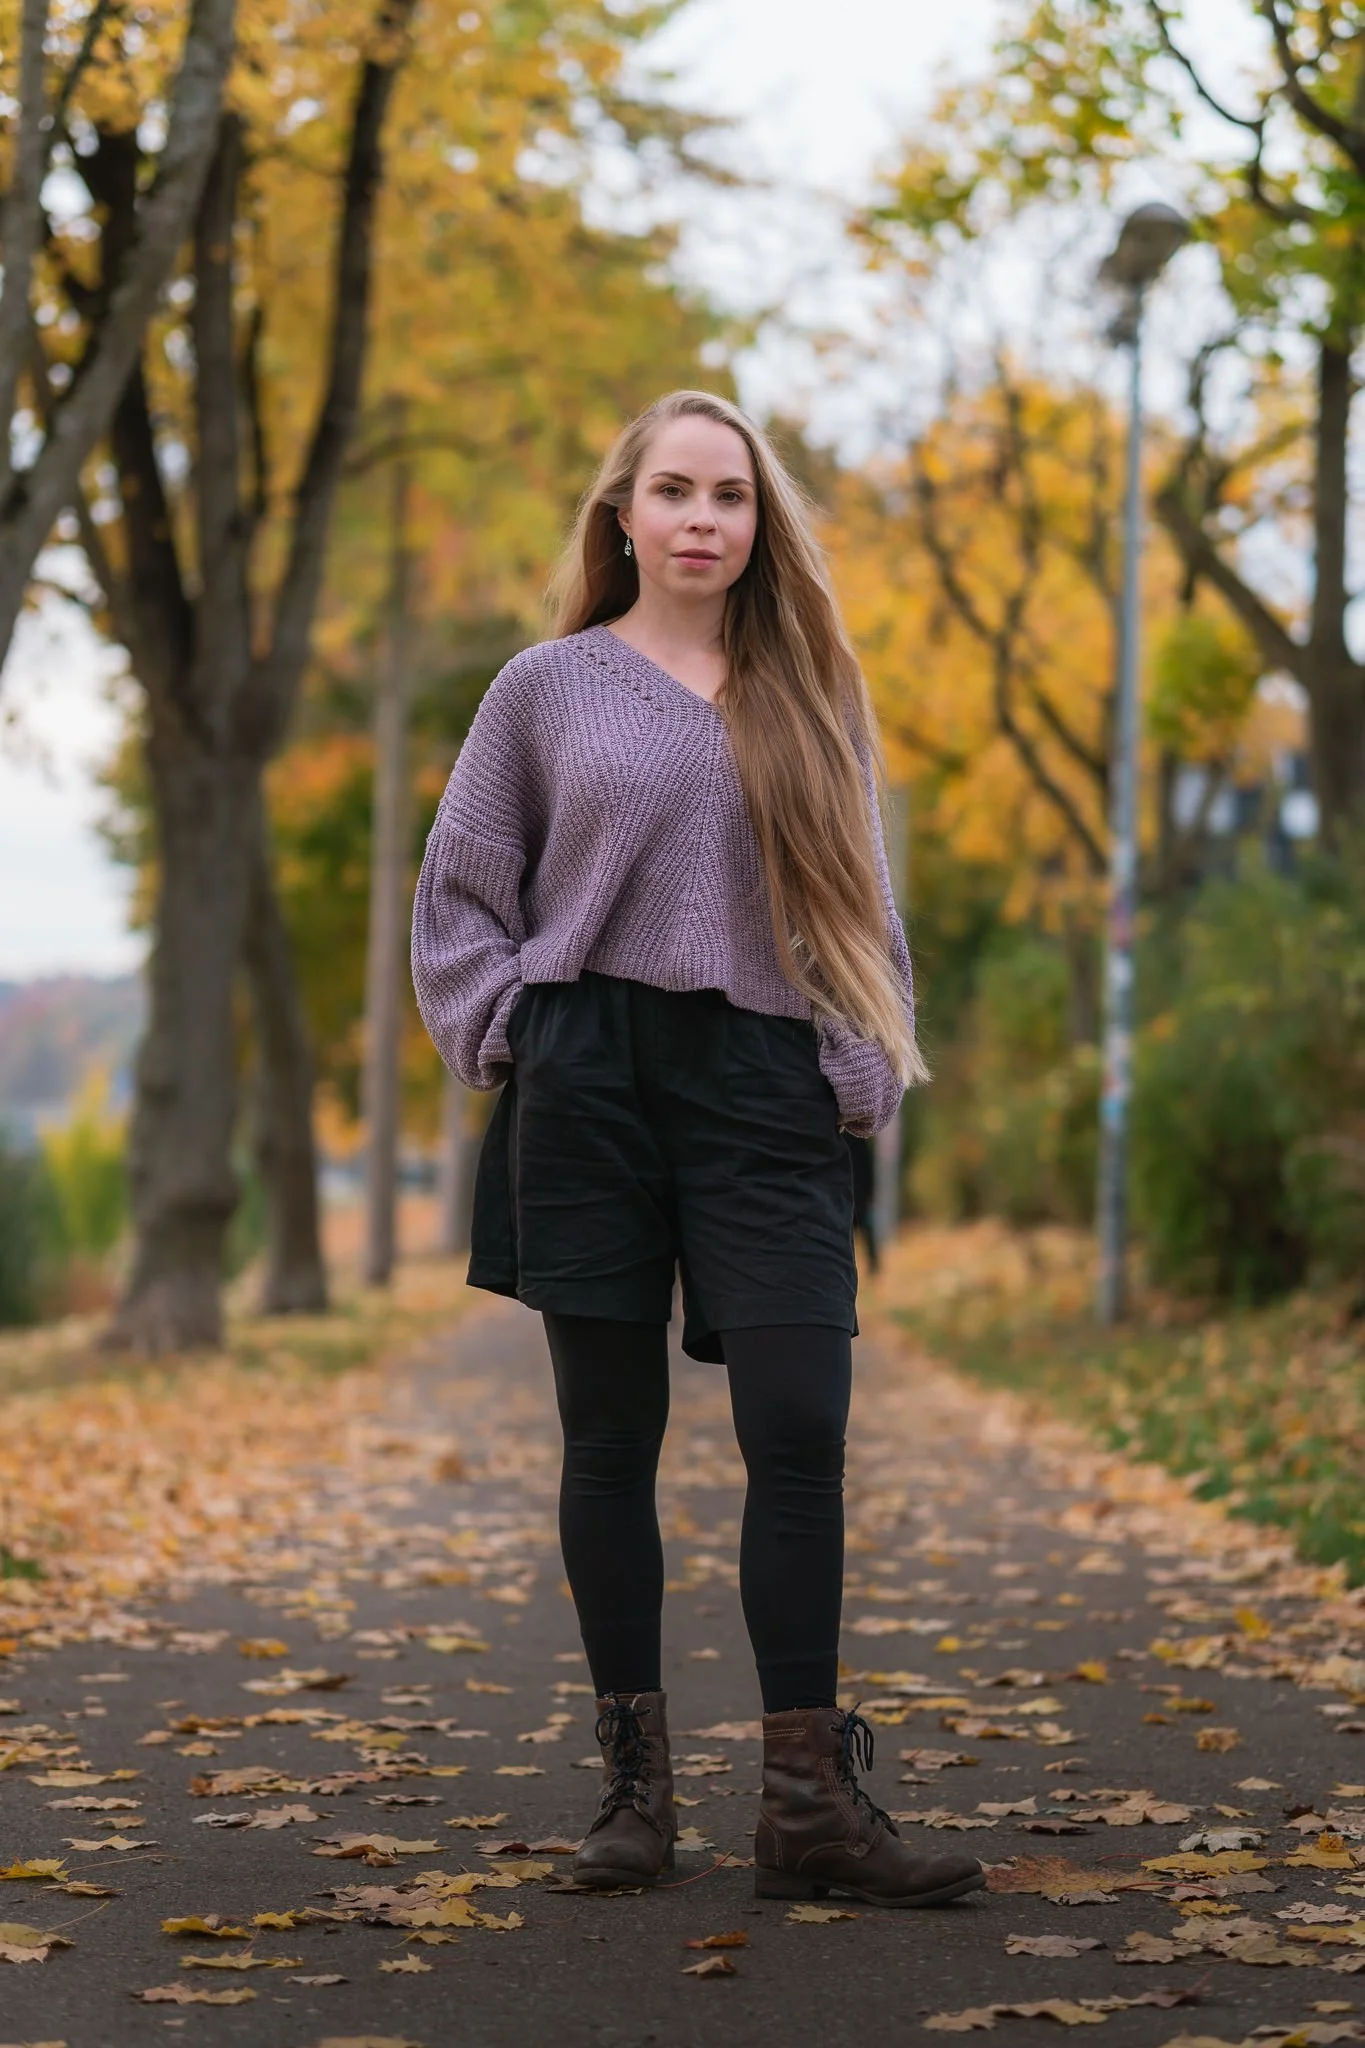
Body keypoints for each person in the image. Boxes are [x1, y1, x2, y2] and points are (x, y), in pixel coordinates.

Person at [411, 390, 983, 1910]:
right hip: (589, 1074)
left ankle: (806, 1807)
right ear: (623, 513)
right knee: (610, 1438)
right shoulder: (543, 689)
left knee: (800, 1421)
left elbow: (862, 905)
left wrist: (853, 1061)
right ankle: (634, 1794)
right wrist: (511, 1029)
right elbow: (461, 888)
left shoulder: (811, 695)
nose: (703, 519)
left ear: (757, 523)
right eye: (674, 491)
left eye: (730, 495)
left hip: (761, 1080)